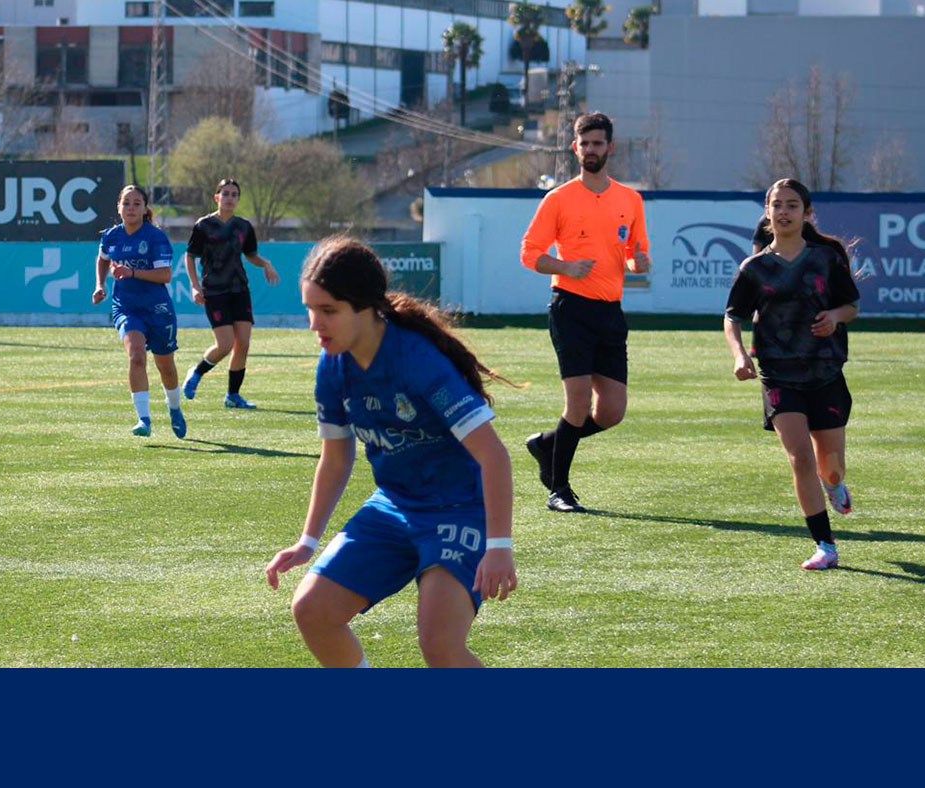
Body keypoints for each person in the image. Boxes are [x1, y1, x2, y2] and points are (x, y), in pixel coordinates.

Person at [264, 237, 518, 668]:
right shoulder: (332, 365)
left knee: (440, 645)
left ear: (365, 307)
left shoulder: (417, 360)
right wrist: (307, 541)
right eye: (310, 308)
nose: (314, 324)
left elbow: (493, 456)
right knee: (313, 609)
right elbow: (336, 458)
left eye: (328, 311)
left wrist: (499, 547)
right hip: (394, 507)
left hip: (457, 511)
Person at [724, 179, 860, 571]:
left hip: (825, 370)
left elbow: (851, 305)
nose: (784, 212)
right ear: (767, 212)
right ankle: (825, 545)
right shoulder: (755, 268)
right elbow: (732, 317)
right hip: (778, 372)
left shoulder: (826, 258)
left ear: (807, 212)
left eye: (792, 205)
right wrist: (738, 356)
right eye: (777, 205)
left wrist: (834, 317)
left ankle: (834, 485)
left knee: (829, 466)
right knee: (800, 457)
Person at [519, 112, 650, 513]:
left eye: (598, 143)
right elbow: (530, 254)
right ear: (574, 148)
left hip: (610, 312)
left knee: (611, 412)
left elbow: (635, 253)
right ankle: (559, 489)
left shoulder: (630, 199)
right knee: (576, 404)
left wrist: (638, 263)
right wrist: (564, 267)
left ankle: (547, 445)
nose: (590, 150)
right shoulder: (557, 199)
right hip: (570, 308)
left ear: (610, 147)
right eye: (584, 143)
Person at [92, 185, 187, 438]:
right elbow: (102, 259)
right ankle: (143, 419)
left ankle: (174, 408)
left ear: (145, 209)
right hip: (126, 306)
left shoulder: (155, 237)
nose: (131, 208)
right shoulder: (111, 236)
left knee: (166, 367)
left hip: (157, 309)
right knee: (136, 356)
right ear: (118, 207)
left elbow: (165, 275)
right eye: (126, 203)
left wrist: (132, 272)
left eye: (137, 203)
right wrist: (100, 285)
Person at [181, 179, 281, 409]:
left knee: (243, 344)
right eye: (225, 193)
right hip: (214, 291)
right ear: (216, 197)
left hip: (239, 290)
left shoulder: (243, 226)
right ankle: (196, 373)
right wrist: (195, 286)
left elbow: (251, 255)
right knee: (225, 344)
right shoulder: (203, 225)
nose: (229, 197)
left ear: (238, 199)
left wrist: (266, 263)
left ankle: (233, 396)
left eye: (234, 194)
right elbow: (190, 256)